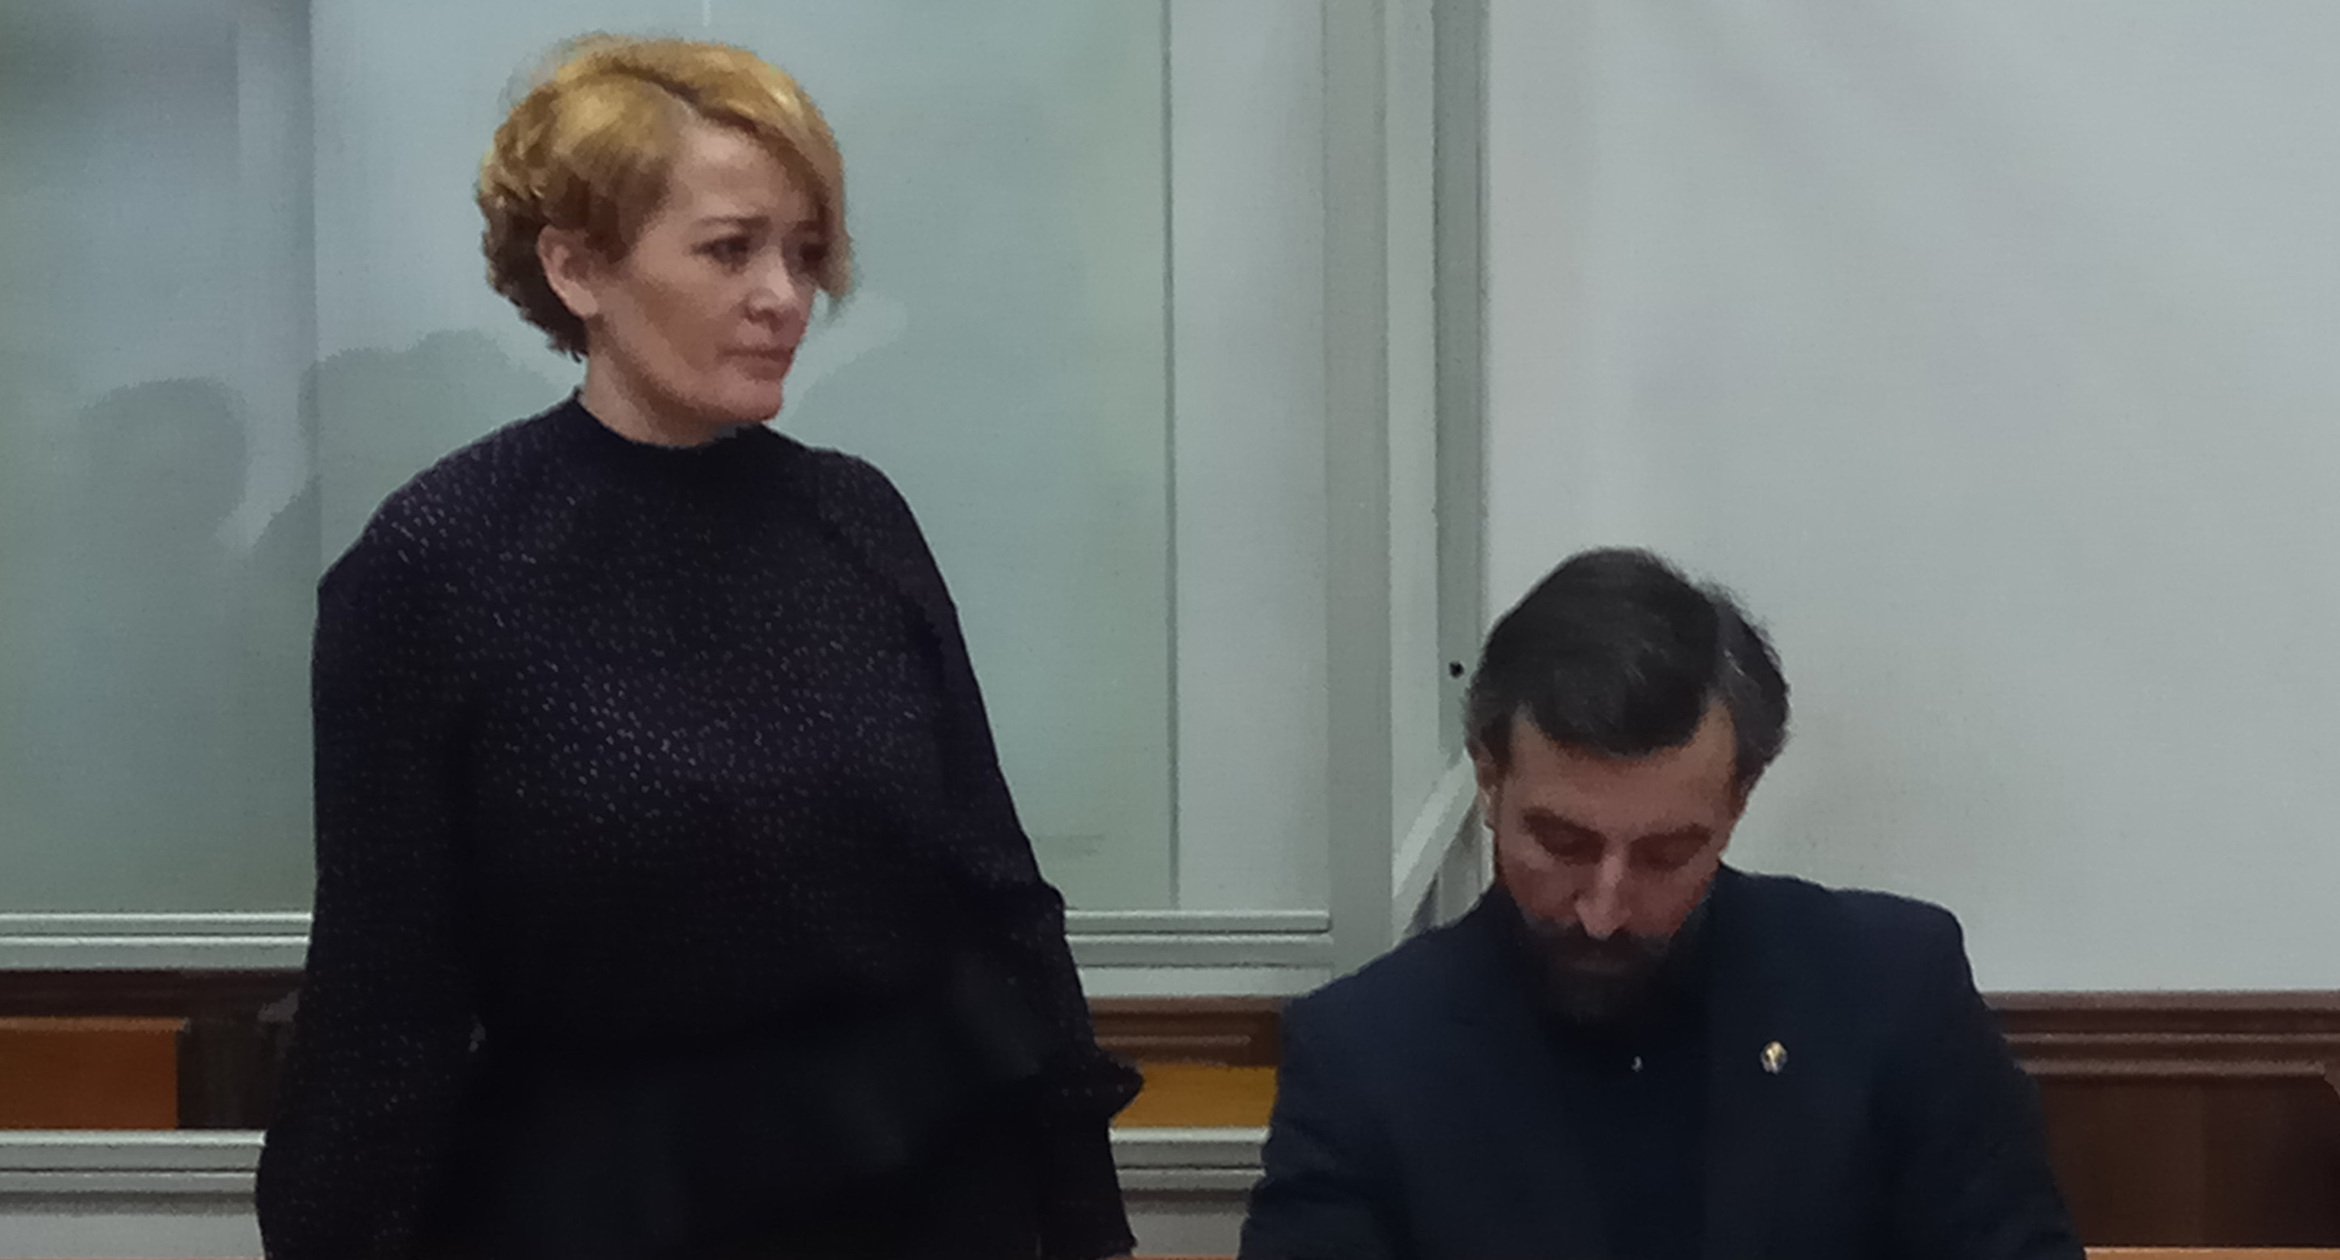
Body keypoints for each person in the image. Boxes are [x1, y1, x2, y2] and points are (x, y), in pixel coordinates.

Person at [257, 36, 1139, 1260]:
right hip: (613, 1201)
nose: (786, 296)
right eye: (731, 249)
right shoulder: (439, 562)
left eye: (805, 252)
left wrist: (1087, 1222)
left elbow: (998, 894)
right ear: (577, 268)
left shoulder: (853, 516)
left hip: (922, 1175)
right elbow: (384, 997)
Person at [1239, 548, 2082, 1260]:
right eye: (1563, 844)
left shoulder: (1890, 993)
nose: (1603, 909)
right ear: (1489, 781)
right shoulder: (1366, 1057)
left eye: (1666, 856)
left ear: (1738, 802)